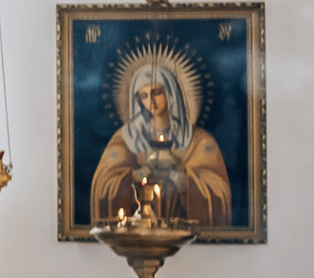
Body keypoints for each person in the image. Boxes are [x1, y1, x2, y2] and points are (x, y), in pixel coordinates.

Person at [91, 60, 230, 224]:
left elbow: (217, 191)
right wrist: (137, 175)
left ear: (170, 93)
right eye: (144, 96)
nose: (151, 101)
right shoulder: (127, 137)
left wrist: (180, 179)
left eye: (156, 92)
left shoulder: (198, 140)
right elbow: (105, 184)